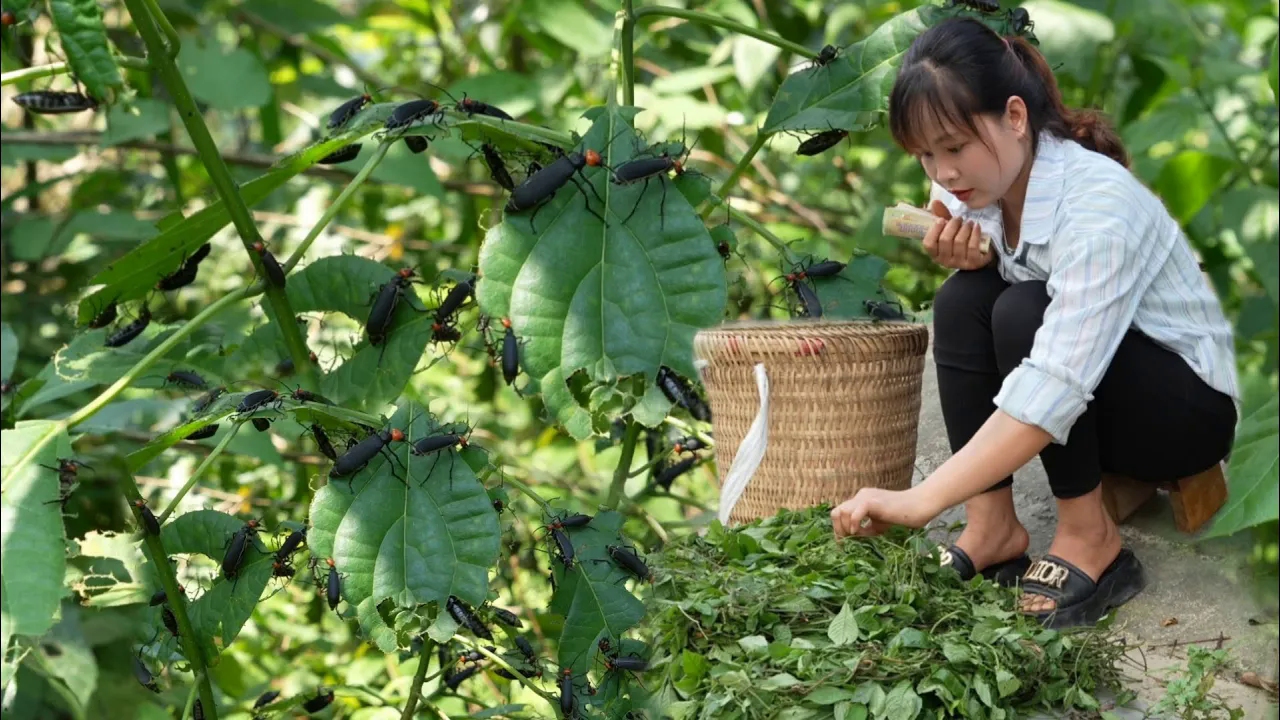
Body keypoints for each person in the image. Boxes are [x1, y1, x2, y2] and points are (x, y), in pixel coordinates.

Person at [830, 16, 1239, 629]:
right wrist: (966, 246)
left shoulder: (1096, 207)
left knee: (1023, 310)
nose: (942, 173)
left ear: (1015, 117)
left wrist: (920, 499)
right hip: (1105, 389)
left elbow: (1055, 380)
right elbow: (956, 216)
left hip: (1184, 415)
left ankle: (1089, 535)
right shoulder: (987, 179)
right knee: (962, 299)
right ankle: (992, 526)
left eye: (953, 147)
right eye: (924, 155)